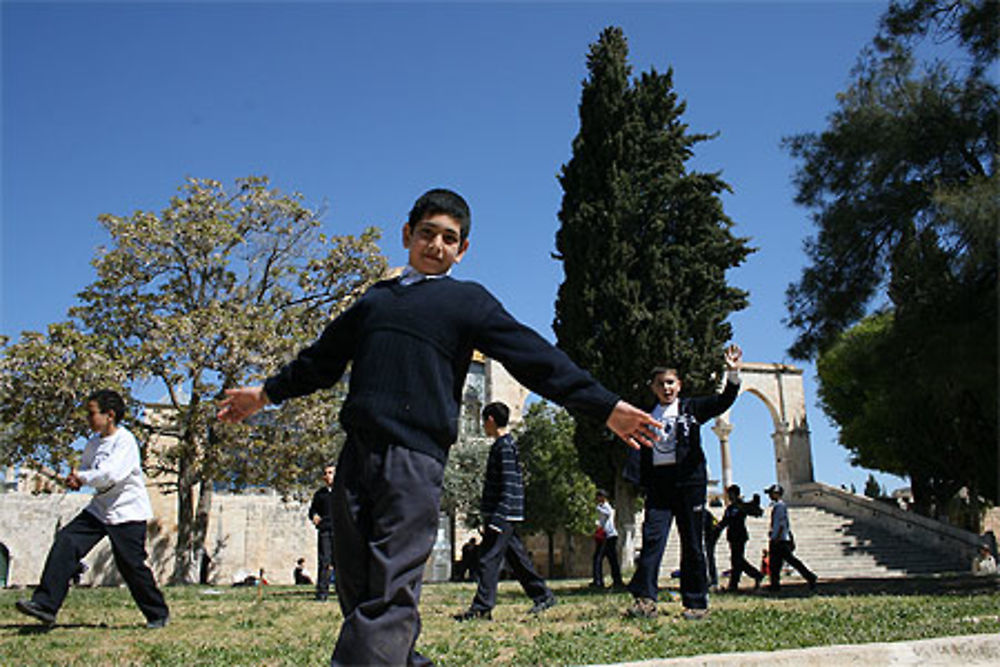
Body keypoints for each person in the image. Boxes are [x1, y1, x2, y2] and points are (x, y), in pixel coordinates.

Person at [217, 188, 661, 666]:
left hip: (413, 464)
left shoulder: (466, 302)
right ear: (407, 235)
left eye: (449, 238)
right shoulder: (375, 302)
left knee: (388, 596)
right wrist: (264, 395)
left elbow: (536, 359)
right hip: (356, 459)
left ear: (462, 249)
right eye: (427, 233)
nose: (436, 245)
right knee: (359, 590)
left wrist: (605, 406)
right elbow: (320, 362)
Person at [15, 389, 170, 629]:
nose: (88, 418)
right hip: (100, 509)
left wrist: (84, 477)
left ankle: (157, 614)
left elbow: (111, 475)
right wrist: (77, 480)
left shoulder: (125, 441)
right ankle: (45, 606)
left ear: (110, 415)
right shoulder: (93, 443)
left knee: (131, 565)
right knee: (66, 542)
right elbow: (87, 470)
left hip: (127, 512)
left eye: (92, 413)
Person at [624, 344, 744, 621]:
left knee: (692, 542)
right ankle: (644, 600)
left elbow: (724, 400)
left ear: (679, 385)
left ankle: (696, 602)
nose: (666, 388)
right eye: (661, 384)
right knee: (653, 539)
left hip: (689, 483)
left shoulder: (692, 408)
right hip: (659, 484)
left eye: (671, 383)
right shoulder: (645, 413)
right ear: (653, 387)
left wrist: (733, 373)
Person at [455, 402, 556, 621]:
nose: (483, 426)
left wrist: (498, 517)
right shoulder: (502, 445)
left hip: (503, 515)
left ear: (490, 419)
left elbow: (511, 484)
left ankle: (482, 608)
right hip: (503, 514)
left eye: (483, 421)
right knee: (518, 560)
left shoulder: (505, 446)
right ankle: (543, 595)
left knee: (488, 559)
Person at [764, 483, 817, 591]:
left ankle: (810, 577)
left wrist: (777, 537)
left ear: (776, 494)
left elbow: (782, 524)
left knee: (781, 563)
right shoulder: (778, 506)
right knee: (778, 563)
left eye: (771, 493)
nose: (769, 495)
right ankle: (775, 585)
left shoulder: (780, 506)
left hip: (780, 540)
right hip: (781, 538)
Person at [715, 484, 764, 591]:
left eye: (731, 494)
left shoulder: (741, 506)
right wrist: (717, 527)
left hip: (740, 536)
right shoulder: (730, 508)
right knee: (737, 560)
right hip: (732, 536)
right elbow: (725, 521)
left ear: (736, 494)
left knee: (737, 560)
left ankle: (753, 576)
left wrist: (755, 502)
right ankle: (735, 584)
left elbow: (755, 511)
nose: (729, 496)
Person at [308, 464, 336, 601]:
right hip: (325, 531)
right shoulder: (320, 494)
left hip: (341, 531)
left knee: (343, 563)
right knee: (324, 561)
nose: (328, 475)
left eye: (331, 472)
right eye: (326, 473)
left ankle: (344, 592)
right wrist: (314, 516)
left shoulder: (343, 492)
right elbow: (312, 511)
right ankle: (322, 593)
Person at [591, 489, 624, 589]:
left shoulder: (606, 507)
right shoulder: (601, 507)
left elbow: (608, 513)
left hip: (608, 536)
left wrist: (594, 508)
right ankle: (616, 580)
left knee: (598, 558)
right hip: (604, 535)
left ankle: (599, 581)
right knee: (610, 559)